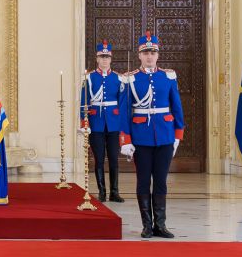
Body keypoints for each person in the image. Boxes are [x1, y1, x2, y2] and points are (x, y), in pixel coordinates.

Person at [119, 31, 185, 239]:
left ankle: (161, 225)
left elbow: (177, 108)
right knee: (143, 181)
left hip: (165, 136)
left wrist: (177, 136)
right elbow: (123, 112)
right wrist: (126, 140)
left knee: (161, 182)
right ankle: (147, 225)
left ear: (158, 55)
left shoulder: (168, 77)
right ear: (139, 55)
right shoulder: (130, 80)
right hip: (141, 137)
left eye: (153, 53)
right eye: (146, 53)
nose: (149, 57)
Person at [79, 40, 126, 203]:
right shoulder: (89, 78)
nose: (105, 60)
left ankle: (115, 192)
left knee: (113, 158)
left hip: (113, 123)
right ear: (97, 58)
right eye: (102, 57)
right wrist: (84, 124)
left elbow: (122, 103)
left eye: (107, 57)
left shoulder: (119, 79)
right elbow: (83, 103)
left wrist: (122, 125)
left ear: (111, 59)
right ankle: (102, 192)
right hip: (96, 122)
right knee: (99, 159)